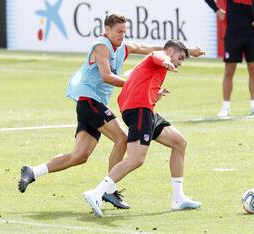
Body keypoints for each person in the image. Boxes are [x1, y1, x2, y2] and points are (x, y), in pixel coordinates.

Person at [18, 13, 205, 210]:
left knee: (80, 155)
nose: (122, 35)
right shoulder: (101, 46)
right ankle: (107, 190)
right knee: (122, 139)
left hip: (96, 104)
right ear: (107, 30)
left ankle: (34, 171)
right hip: (88, 99)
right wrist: (138, 85)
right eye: (118, 31)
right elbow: (106, 76)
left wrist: (186, 51)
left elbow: (150, 49)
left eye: (124, 31)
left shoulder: (123, 47)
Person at [82, 39, 205, 217]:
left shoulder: (157, 65)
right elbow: (158, 54)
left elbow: (144, 83)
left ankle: (178, 199)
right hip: (140, 110)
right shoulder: (160, 57)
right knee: (135, 159)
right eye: (179, 57)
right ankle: (97, 192)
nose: (180, 62)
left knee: (179, 143)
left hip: (146, 109)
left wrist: (157, 93)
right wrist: (166, 61)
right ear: (170, 52)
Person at [205, 0, 254, 117]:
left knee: (253, 69)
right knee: (229, 70)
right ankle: (225, 108)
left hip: (252, 33)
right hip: (233, 33)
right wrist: (217, 10)